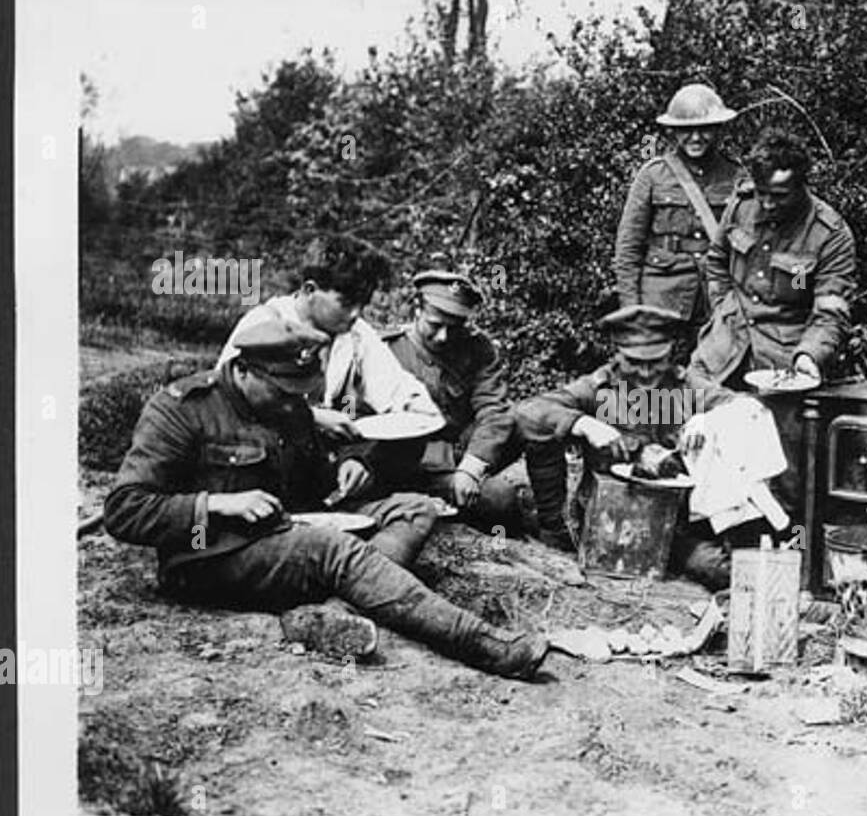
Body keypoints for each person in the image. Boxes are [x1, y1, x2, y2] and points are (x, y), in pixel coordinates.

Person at [103, 315, 549, 680]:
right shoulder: (182, 409)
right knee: (333, 549)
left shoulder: (287, 404)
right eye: (281, 391)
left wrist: (347, 471)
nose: (292, 403)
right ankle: (486, 645)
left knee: (414, 506)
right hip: (209, 556)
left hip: (282, 532)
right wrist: (216, 505)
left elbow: (314, 479)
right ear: (242, 369)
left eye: (299, 392)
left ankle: (330, 611)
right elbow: (125, 509)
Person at [514, 305, 736, 586]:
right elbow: (529, 412)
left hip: (676, 523)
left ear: (671, 353)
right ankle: (555, 534)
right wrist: (584, 423)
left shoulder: (686, 385)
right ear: (617, 355)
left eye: (656, 362)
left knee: (717, 570)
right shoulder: (601, 386)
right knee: (543, 433)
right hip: (608, 518)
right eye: (634, 362)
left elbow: (744, 408)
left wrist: (711, 420)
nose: (645, 373)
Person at [379, 259, 569, 541]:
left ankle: (553, 528)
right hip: (408, 462)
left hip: (463, 452)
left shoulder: (477, 348)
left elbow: (494, 411)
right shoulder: (385, 350)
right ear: (416, 309)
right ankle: (438, 504)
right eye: (435, 325)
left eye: (455, 327)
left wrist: (472, 466)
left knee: (535, 419)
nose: (444, 337)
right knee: (500, 499)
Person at [217, 237, 441, 442]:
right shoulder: (266, 323)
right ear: (310, 290)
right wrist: (313, 417)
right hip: (261, 445)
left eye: (362, 305)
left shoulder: (356, 334)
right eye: (346, 303)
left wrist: (416, 406)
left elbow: (392, 384)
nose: (355, 314)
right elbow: (225, 401)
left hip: (321, 452)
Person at [690, 127, 856, 389]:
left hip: (783, 366)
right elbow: (717, 260)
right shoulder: (741, 206)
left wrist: (809, 354)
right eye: (761, 192)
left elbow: (830, 312)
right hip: (721, 351)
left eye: (779, 196)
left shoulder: (829, 234)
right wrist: (723, 308)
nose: (767, 204)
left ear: (802, 184)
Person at [614, 83, 747, 332]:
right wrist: (631, 311)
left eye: (704, 129)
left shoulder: (737, 177)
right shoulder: (653, 176)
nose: (695, 137)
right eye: (686, 130)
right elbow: (628, 250)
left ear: (718, 129)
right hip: (661, 299)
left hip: (717, 300)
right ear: (673, 132)